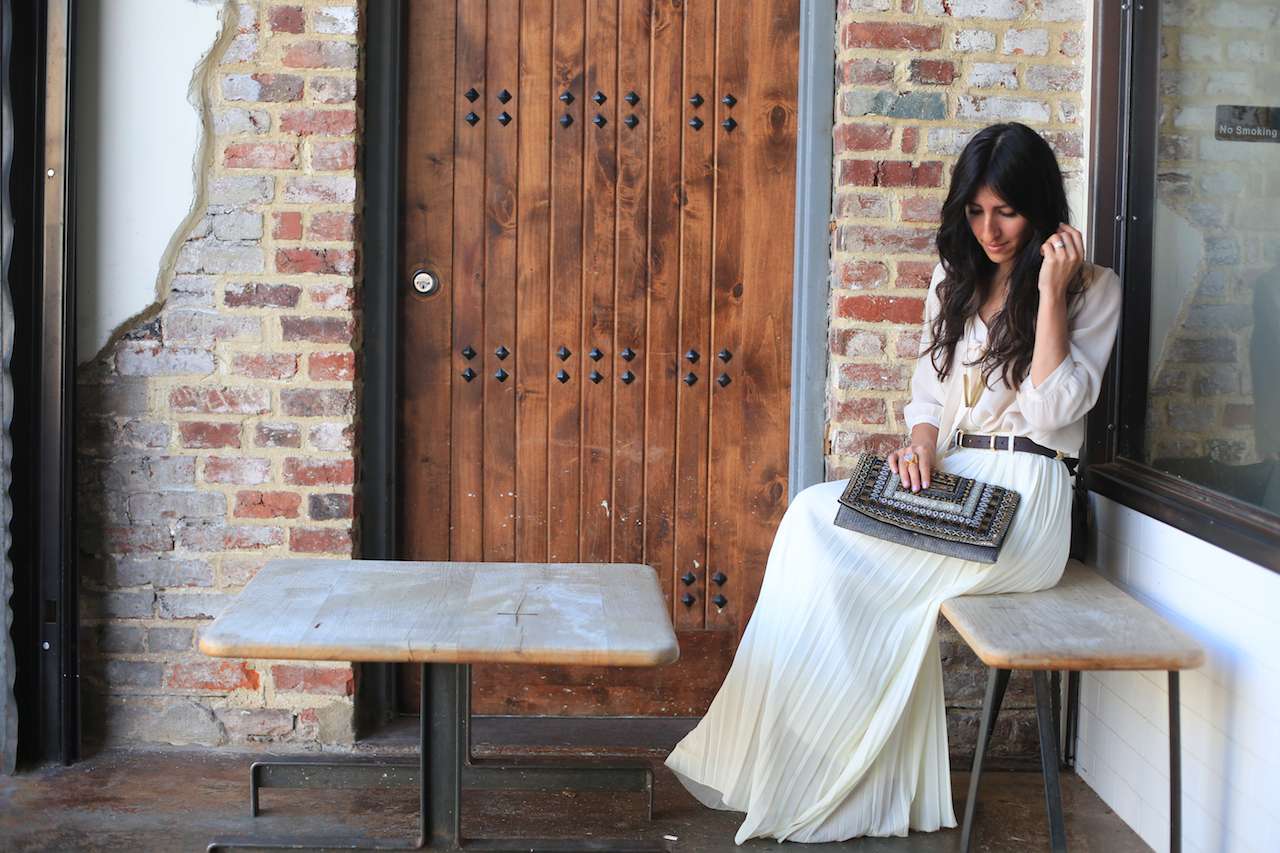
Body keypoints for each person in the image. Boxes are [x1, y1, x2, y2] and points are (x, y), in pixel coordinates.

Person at [665, 122, 1122, 843]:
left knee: (839, 553)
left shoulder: (1092, 288)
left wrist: (1052, 291)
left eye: (1006, 211)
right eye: (975, 211)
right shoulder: (958, 274)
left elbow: (1052, 409)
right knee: (811, 515)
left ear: (1040, 206)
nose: (990, 228)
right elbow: (928, 396)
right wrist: (919, 449)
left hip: (1029, 501)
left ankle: (837, 776)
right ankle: (804, 763)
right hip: (960, 473)